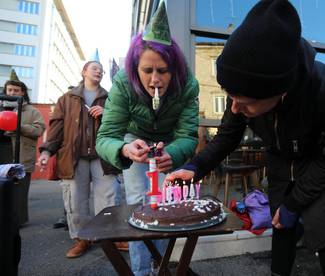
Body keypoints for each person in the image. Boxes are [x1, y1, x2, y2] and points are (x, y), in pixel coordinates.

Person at [166, 1, 325, 275]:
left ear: (281, 91)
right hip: (281, 157)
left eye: (244, 103)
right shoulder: (242, 93)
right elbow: (227, 136)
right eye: (230, 97)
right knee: (281, 223)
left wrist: (295, 202)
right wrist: (195, 167)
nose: (233, 109)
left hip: (323, 161)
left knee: (322, 229)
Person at [96, 2, 199, 275]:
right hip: (135, 137)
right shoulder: (122, 85)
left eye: (163, 71)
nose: (155, 80)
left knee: (168, 202)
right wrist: (125, 148)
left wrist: (174, 153)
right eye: (147, 71)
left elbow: (188, 135)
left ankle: (162, 265)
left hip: (169, 140)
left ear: (174, 68)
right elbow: (106, 137)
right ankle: (142, 271)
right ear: (134, 68)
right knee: (140, 203)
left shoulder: (188, 85)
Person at [37, 61, 122, 258]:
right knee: (76, 200)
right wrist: (46, 152)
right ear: (84, 72)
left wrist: (107, 113)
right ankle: (82, 238)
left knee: (109, 197)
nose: (99, 71)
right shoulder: (66, 98)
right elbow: (56, 129)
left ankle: (109, 237)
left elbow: (121, 123)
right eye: (94, 68)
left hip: (103, 156)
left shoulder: (110, 98)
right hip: (74, 157)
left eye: (101, 70)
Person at [2, 69, 45, 226]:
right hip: (3, 152)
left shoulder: (32, 111)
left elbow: (39, 129)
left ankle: (17, 221)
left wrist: (19, 126)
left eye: (16, 90)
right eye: (10, 90)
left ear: (22, 92)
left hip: (22, 154)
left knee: (19, 191)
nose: (12, 92)